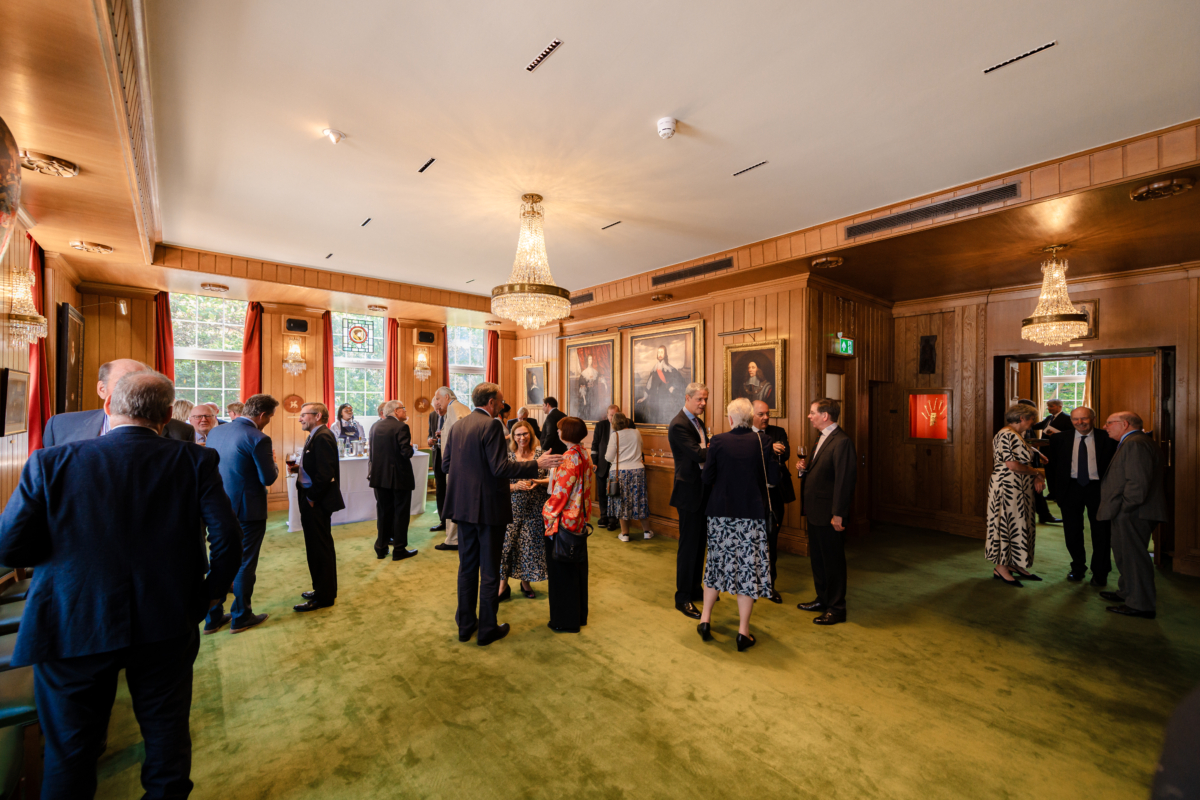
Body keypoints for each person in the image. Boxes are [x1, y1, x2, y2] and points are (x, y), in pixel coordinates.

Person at [0, 370, 242, 798]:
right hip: (167, 616)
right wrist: (211, 593)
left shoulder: (51, 461)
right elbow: (227, 538)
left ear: (109, 406)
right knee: (166, 742)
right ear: (167, 416)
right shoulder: (193, 460)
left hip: (73, 617)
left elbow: (10, 546)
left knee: (70, 756)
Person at [442, 382, 561, 646]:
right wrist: (537, 464)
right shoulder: (493, 425)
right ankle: (487, 629)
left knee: (467, 568)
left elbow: (446, 464)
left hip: (463, 508)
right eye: (501, 401)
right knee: (490, 570)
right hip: (488, 510)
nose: (502, 406)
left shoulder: (458, 425)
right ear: (491, 402)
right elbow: (500, 468)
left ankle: (465, 626)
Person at [696, 398, 773, 651]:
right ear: (751, 418)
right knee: (747, 569)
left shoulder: (718, 441)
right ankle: (743, 632)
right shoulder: (763, 441)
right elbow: (773, 477)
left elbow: (707, 477)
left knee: (715, 564)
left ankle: (705, 620)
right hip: (751, 515)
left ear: (730, 419)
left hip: (720, 514)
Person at [202, 393, 280, 635]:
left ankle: (212, 618)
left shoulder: (216, 432)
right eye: (270, 417)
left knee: (218, 559)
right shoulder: (259, 438)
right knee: (245, 562)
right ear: (263, 415)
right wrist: (275, 464)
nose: (268, 422)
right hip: (247, 509)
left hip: (217, 506)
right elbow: (268, 478)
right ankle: (241, 616)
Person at [1097, 411, 1167, 619]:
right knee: (1125, 554)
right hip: (1133, 511)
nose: (1105, 427)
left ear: (1125, 424)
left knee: (1134, 558)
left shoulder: (1135, 443)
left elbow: (1137, 483)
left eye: (1109, 423)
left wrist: (1124, 509)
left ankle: (1140, 605)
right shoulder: (1134, 441)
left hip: (1135, 512)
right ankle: (1127, 592)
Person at [795, 397, 857, 625]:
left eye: (812, 413)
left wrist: (839, 513)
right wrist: (803, 469)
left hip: (830, 514)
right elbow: (820, 473)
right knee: (819, 560)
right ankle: (822, 599)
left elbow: (844, 481)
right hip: (815, 511)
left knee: (833, 562)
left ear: (825, 416)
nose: (809, 416)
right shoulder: (820, 437)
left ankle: (837, 609)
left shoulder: (842, 441)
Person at [1046, 406, 1116, 585]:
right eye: (1075, 419)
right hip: (1070, 489)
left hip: (1099, 489)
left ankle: (1100, 572)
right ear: (1071, 420)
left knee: (1101, 532)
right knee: (1072, 531)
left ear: (1093, 419)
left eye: (1084, 418)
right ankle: (1077, 567)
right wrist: (1055, 492)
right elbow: (1051, 467)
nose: (1080, 422)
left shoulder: (1108, 438)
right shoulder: (1059, 439)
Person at [288, 402, 345, 611]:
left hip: (316, 500)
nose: (300, 419)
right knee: (317, 546)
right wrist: (300, 469)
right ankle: (322, 589)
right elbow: (318, 466)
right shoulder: (316, 435)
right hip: (312, 497)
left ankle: (324, 596)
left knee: (319, 548)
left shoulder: (322, 436)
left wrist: (311, 497)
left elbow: (326, 473)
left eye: (304, 415)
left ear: (318, 415)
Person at [984, 404, 1045, 587]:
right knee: (1007, 525)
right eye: (1032, 419)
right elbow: (1012, 465)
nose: (1033, 422)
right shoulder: (1007, 434)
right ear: (1022, 418)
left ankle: (1014, 563)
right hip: (1007, 486)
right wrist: (1037, 472)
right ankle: (1001, 567)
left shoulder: (1015, 434)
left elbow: (1020, 452)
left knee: (1021, 524)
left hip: (1019, 487)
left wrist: (1035, 452)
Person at [542, 416, 593, 633]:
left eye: (560, 429)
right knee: (577, 570)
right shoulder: (584, 453)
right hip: (579, 519)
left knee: (561, 573)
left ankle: (564, 620)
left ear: (567, 433)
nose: (557, 432)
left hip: (563, 523)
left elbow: (560, 493)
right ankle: (578, 616)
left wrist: (547, 513)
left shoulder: (569, 458)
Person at [668, 382, 709, 619]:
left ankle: (695, 588)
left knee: (700, 543)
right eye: (699, 399)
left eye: (705, 399)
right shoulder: (679, 424)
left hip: (702, 490)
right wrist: (722, 445)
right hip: (689, 493)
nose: (703, 403)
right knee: (688, 547)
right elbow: (698, 453)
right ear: (687, 398)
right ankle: (682, 597)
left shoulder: (697, 421)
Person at [42, 358, 149, 445]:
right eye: (123, 384)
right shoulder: (60, 426)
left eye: (142, 385)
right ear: (102, 389)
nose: (135, 391)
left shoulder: (159, 430)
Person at [499, 420, 549, 600]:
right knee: (506, 547)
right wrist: (514, 486)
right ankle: (502, 586)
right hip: (512, 508)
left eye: (525, 434)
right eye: (518, 434)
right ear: (513, 437)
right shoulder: (507, 458)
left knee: (528, 547)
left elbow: (553, 480)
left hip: (536, 508)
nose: (522, 438)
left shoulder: (541, 455)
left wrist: (538, 482)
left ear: (531, 435)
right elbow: (497, 485)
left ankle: (525, 583)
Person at [752, 399, 795, 603]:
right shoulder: (745, 434)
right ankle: (751, 583)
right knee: (752, 541)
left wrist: (765, 449)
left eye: (767, 413)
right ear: (751, 415)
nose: (766, 417)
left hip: (775, 494)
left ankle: (769, 585)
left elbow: (785, 455)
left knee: (771, 540)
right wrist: (768, 447)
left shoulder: (778, 431)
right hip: (752, 495)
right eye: (761, 414)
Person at [368, 400, 417, 561]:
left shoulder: (375, 426)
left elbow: (372, 453)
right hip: (399, 478)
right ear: (396, 411)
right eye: (403, 408)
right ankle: (399, 549)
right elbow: (406, 453)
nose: (405, 411)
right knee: (401, 513)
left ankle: (381, 548)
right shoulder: (401, 427)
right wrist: (410, 447)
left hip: (379, 476)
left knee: (383, 512)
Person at [429, 386, 471, 547]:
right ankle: (453, 538)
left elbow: (462, 438)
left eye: (438, 399)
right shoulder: (457, 408)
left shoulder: (454, 409)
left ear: (447, 397)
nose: (436, 402)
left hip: (456, 465)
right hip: (456, 464)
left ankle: (453, 540)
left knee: (454, 500)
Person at [606, 412, 652, 542]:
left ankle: (625, 534)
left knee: (622, 502)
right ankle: (647, 532)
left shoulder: (615, 435)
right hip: (638, 470)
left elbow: (609, 457)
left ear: (614, 423)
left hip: (620, 472)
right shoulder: (636, 432)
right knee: (640, 500)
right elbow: (641, 448)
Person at [1017, 398, 1061, 524]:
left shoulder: (1027, 424)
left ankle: (1044, 515)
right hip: (1021, 464)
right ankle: (1044, 515)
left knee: (1036, 490)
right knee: (1035, 490)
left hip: (1030, 460)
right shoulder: (1014, 428)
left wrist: (1039, 453)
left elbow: (1028, 442)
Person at [636, 345, 687, 424]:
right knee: (654, 418)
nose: (660, 354)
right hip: (655, 399)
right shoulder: (654, 369)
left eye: (662, 352)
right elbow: (649, 384)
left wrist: (672, 388)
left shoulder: (670, 369)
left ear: (665, 354)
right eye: (659, 352)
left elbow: (679, 381)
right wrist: (644, 397)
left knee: (665, 418)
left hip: (666, 399)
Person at [591, 404, 619, 531]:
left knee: (614, 493)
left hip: (617, 465)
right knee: (602, 492)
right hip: (601, 464)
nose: (613, 418)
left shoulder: (625, 426)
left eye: (615, 415)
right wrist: (594, 462)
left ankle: (613, 519)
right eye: (611, 415)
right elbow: (595, 445)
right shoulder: (600, 426)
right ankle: (604, 516)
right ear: (607, 415)